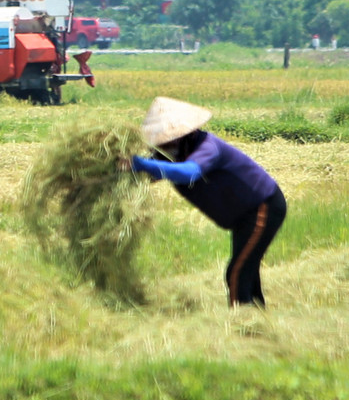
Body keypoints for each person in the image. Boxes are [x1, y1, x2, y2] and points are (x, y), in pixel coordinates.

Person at [123, 97, 287, 308]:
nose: (162, 145)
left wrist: (140, 163)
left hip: (262, 206)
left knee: (237, 272)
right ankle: (259, 321)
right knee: (247, 270)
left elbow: (188, 173)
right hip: (242, 216)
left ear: (184, 135)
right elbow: (153, 173)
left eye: (168, 140)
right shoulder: (171, 155)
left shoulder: (207, 147)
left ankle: (244, 327)